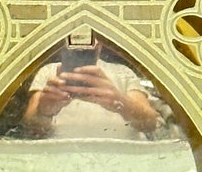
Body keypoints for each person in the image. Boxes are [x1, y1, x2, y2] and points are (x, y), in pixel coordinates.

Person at [23, 47, 163, 140]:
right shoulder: (50, 71)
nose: (83, 43)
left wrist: (119, 100)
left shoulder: (122, 72)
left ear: (100, 40)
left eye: (89, 36)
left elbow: (151, 123)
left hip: (124, 158)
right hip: (62, 159)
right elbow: (30, 127)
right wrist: (44, 110)